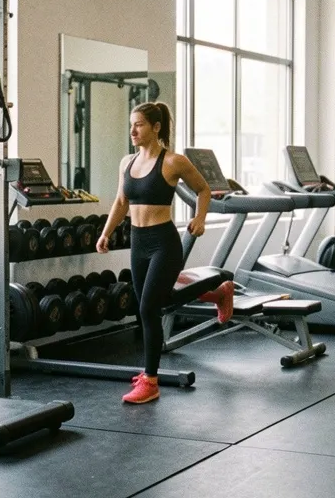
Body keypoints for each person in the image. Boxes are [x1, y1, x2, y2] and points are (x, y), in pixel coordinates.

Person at [96, 101, 233, 404]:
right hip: (138, 241)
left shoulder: (173, 162)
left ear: (156, 128)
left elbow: (203, 189)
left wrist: (200, 217)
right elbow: (121, 202)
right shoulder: (126, 163)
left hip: (163, 242)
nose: (133, 130)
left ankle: (151, 381)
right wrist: (106, 233)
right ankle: (219, 293)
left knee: (147, 308)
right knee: (160, 301)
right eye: (131, 124)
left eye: (140, 124)